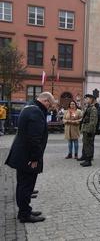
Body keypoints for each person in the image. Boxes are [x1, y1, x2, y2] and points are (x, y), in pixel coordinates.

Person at [5, 92, 56, 223]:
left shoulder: (30, 106)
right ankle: (24, 214)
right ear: (45, 101)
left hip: (22, 154)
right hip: (27, 156)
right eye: (49, 105)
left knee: (23, 184)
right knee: (26, 185)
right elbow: (34, 138)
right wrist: (34, 158)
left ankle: (25, 209)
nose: (49, 108)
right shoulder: (36, 112)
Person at [77, 94, 98, 167]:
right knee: (85, 144)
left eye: (87, 99)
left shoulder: (93, 109)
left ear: (91, 99)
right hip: (85, 129)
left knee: (88, 145)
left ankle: (88, 161)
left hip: (89, 130)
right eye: (85, 99)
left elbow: (93, 121)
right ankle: (86, 158)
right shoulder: (88, 108)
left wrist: (90, 131)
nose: (85, 100)